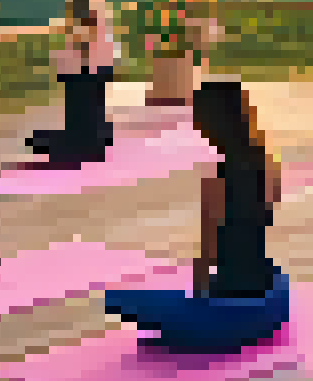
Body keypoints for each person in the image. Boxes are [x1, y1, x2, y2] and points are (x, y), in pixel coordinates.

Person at [107, 79, 289, 353]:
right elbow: (263, 219)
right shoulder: (268, 163)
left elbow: (209, 250)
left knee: (119, 302)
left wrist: (201, 300)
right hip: (263, 278)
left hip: (235, 287)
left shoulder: (218, 176)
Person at [26, 0, 121, 165]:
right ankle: (89, 141)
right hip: (89, 74)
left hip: (83, 75)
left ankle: (85, 145)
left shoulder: (86, 35)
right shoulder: (102, 36)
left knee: (81, 114)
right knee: (87, 113)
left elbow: (79, 54)